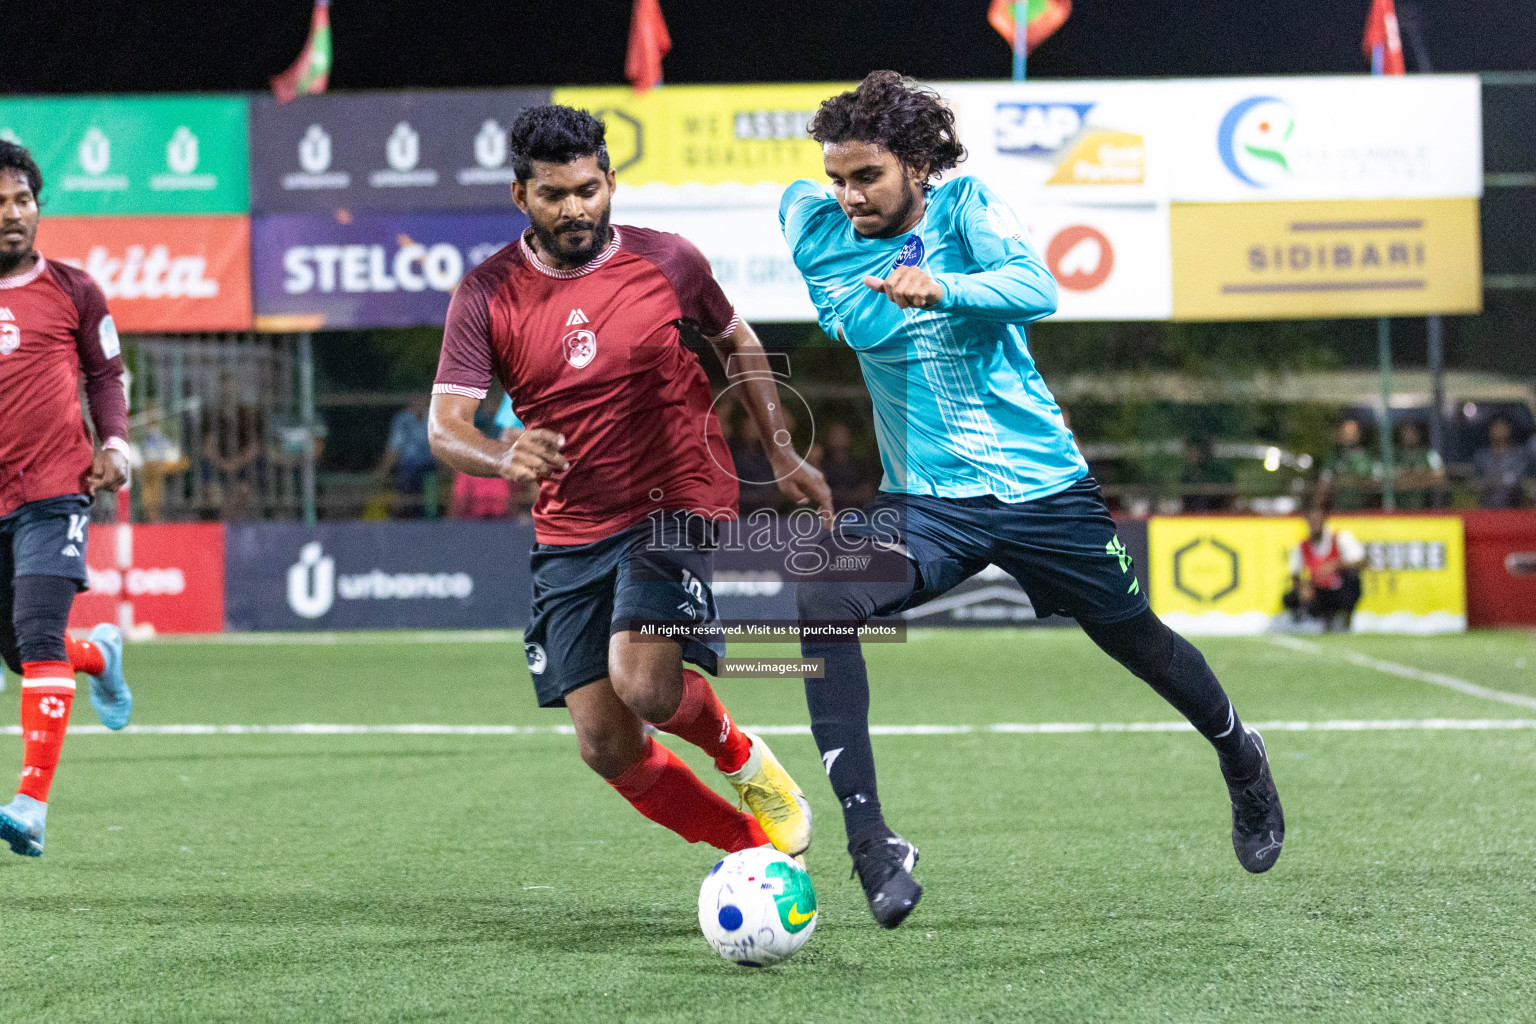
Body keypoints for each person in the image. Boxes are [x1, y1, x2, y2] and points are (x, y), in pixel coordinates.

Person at [781, 72, 1283, 928]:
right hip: (931, 501)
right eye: (838, 175)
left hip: (1042, 487)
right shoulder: (816, 227)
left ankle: (1242, 756)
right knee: (826, 595)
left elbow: (1036, 288)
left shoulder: (969, 203)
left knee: (1140, 643)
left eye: (866, 176)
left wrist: (941, 284)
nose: (847, 193)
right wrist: (895, 274)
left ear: (916, 165)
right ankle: (872, 843)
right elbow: (860, 323)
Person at [429, 105, 832, 863]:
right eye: (554, 195)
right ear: (522, 197)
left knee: (645, 684)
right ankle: (749, 851)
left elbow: (735, 339)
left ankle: (742, 758)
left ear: (611, 181)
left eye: (588, 189)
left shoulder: (669, 259)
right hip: (573, 523)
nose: (575, 208)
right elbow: (446, 427)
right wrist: (500, 453)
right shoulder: (485, 294)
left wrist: (781, 452)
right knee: (605, 742)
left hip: (675, 496)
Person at [0, 140, 133, 857]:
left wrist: (113, 446)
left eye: (22, 200)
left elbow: (107, 375)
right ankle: (102, 655)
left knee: (38, 635)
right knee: (23, 653)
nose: (12, 215)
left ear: (39, 206)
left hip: (56, 489)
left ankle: (30, 804)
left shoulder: (75, 290)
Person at [1282, 504, 1366, 631]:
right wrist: (1302, 588)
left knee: (1353, 583)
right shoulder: (1303, 545)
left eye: (1317, 521)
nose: (1314, 525)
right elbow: (1295, 573)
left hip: (1339, 588)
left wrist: (1336, 564)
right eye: (1311, 521)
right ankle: (1312, 622)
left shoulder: (1339, 538)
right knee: (1290, 597)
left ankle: (1345, 621)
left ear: (1324, 521)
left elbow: (1361, 560)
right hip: (1318, 590)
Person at [380, 396, 437, 518]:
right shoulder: (403, 420)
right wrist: (382, 472)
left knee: (426, 478)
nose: (419, 404)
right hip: (407, 469)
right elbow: (394, 448)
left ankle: (426, 517)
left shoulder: (434, 419)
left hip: (429, 468)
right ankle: (407, 513)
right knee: (409, 472)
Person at [1319, 417, 1379, 511]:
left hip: (1362, 510)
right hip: (1338, 510)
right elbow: (1324, 481)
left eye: (1352, 434)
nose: (1349, 437)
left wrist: (1341, 481)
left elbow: (1368, 481)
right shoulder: (1335, 457)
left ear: (1359, 435)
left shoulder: (1367, 457)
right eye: (1346, 434)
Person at [816, 421, 875, 511]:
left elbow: (867, 494)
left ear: (849, 438)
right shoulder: (822, 464)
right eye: (835, 434)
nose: (838, 438)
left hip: (857, 515)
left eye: (842, 434)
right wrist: (813, 461)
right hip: (830, 516)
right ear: (828, 438)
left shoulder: (859, 465)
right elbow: (817, 491)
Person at [1473, 416, 1528, 509]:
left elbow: (1519, 480)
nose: (1499, 431)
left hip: (1513, 508)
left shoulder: (1518, 455)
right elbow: (1476, 481)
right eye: (1496, 427)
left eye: (1502, 427)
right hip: (1486, 507)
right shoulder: (1482, 456)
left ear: (1508, 430)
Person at [1392, 420, 1443, 511]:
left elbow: (1440, 478)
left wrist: (1413, 480)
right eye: (1406, 432)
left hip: (1427, 508)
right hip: (1399, 510)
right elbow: (1389, 480)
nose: (1409, 436)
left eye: (1412, 432)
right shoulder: (1394, 456)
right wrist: (1423, 476)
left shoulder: (1430, 454)